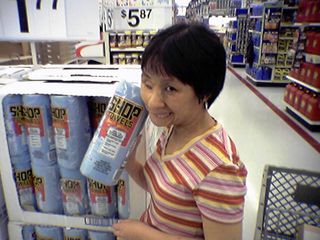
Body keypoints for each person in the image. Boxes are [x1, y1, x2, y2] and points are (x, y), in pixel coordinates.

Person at [112, 22, 247, 240]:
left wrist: (143, 233)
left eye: (170, 88)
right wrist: (128, 161)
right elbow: (161, 189)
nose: (153, 102)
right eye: (147, 84)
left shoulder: (218, 170)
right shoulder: (173, 128)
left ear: (204, 93)